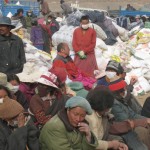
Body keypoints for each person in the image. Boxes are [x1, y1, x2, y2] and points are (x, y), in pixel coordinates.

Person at [109, 78, 150, 150]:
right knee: (142, 133)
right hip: (125, 129)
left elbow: (133, 114)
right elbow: (126, 122)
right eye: (125, 89)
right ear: (120, 92)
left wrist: (146, 119)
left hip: (132, 123)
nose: (126, 90)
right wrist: (144, 121)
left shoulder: (121, 100)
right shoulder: (114, 104)